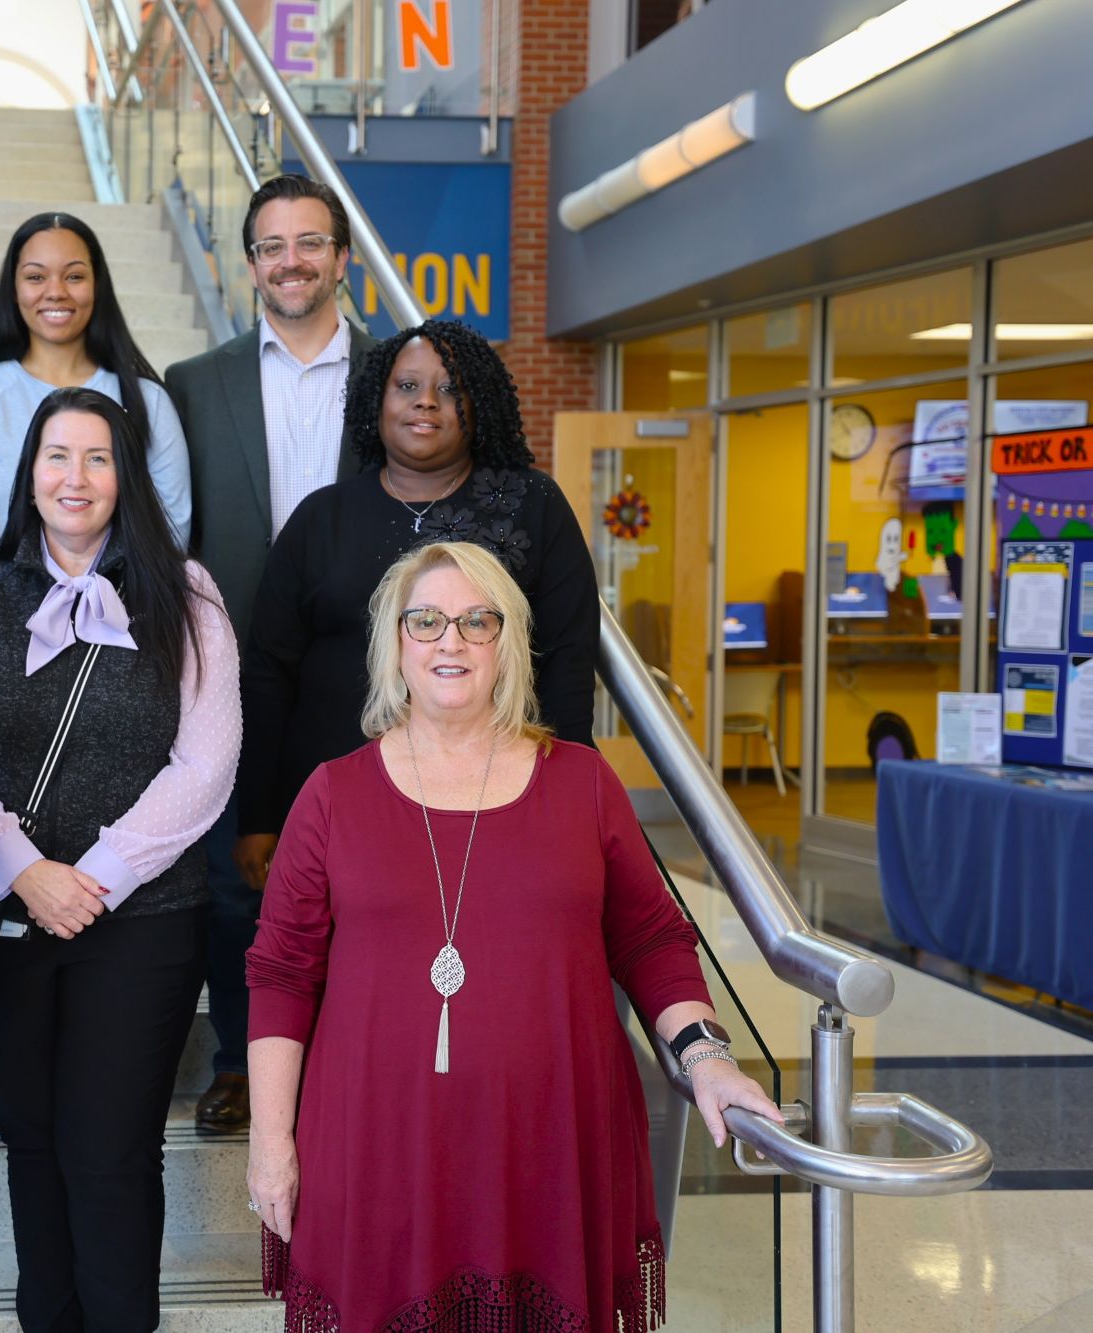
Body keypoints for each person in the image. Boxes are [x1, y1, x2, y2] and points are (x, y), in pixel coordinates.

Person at [244, 540, 782, 1330]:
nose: (449, 640)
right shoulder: (332, 794)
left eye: (476, 620)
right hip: (379, 1148)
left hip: (552, 1147)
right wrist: (270, 1141)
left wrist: (706, 1058)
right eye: (425, 620)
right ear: (395, 641)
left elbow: (651, 937)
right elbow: (282, 976)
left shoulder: (582, 783)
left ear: (508, 643)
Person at [0, 387, 237, 1331]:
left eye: (98, 457)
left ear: (125, 475)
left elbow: (208, 755)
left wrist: (93, 877)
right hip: (8, 916)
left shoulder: (186, 592)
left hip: (141, 919)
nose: (76, 477)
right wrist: (20, 864)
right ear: (29, 474)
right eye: (56, 456)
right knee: (30, 1137)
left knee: (111, 1148)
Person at [237, 319, 601, 896]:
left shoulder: (533, 506)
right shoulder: (321, 518)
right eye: (406, 386)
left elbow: (568, 663)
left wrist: (566, 798)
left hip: (493, 799)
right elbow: (267, 671)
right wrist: (258, 812)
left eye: (451, 387)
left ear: (480, 404)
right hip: (336, 802)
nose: (427, 401)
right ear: (375, 401)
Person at [163, 174, 375, 1135]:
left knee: (367, 877)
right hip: (234, 671)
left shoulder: (394, 378)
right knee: (231, 885)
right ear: (248, 263)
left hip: (369, 672)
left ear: (341, 257)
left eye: (309, 242)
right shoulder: (193, 385)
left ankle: (356, 1052)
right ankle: (245, 1062)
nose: (290, 261)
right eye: (270, 246)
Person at [0, 212, 191, 573]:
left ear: (98, 285)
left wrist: (113, 612)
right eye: (35, 277)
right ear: (14, 289)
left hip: (122, 621)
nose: (56, 291)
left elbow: (171, 528)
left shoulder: (147, 400)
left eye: (75, 276)